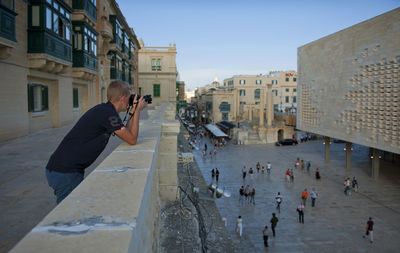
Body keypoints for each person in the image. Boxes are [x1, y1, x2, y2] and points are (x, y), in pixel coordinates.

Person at [45, 81, 147, 204]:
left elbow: (128, 134)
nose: (131, 100)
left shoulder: (105, 110)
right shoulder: (108, 114)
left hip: (63, 169)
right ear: (123, 98)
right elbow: (132, 139)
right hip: (65, 172)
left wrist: (133, 111)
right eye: (130, 97)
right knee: (70, 213)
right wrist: (137, 111)